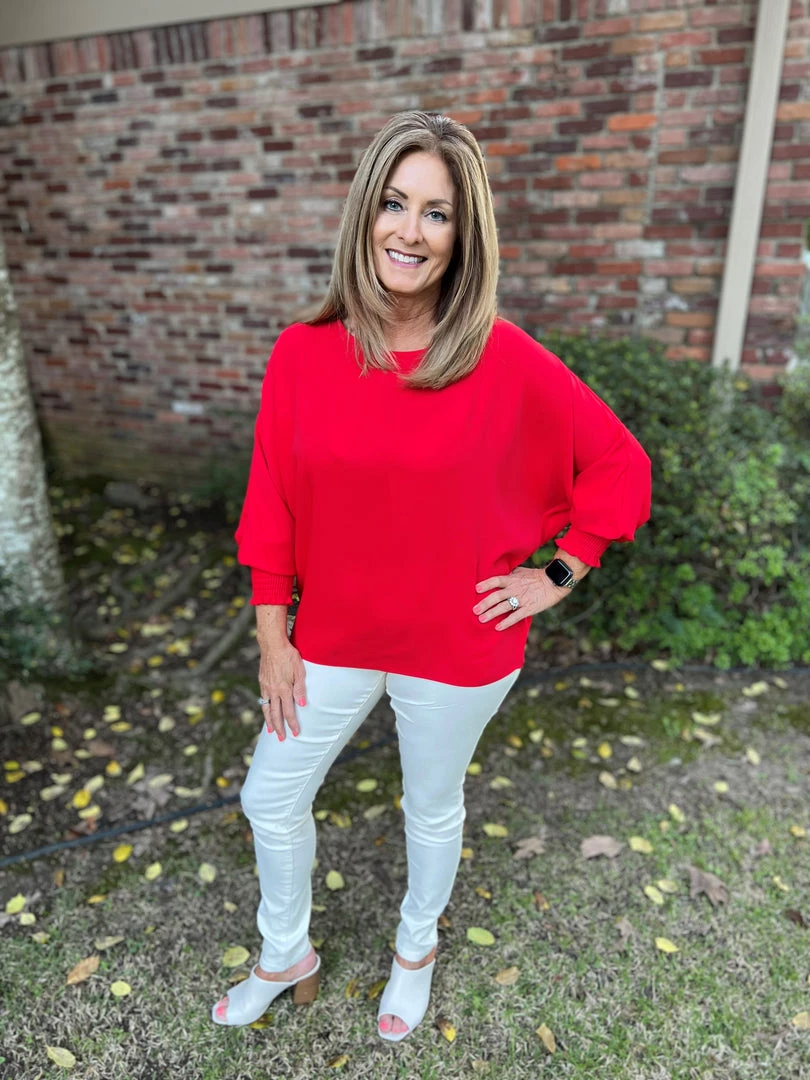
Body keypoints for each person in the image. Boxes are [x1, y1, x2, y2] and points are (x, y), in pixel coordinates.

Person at [212, 110, 651, 1042]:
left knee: (430, 806)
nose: (409, 230)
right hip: (332, 636)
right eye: (393, 203)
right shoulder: (303, 354)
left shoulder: (505, 359)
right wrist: (272, 638)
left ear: (463, 236)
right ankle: (285, 952)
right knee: (268, 796)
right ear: (364, 215)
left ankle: (415, 950)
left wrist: (560, 571)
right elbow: (270, 504)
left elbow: (620, 462)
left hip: (459, 644)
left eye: (436, 213)